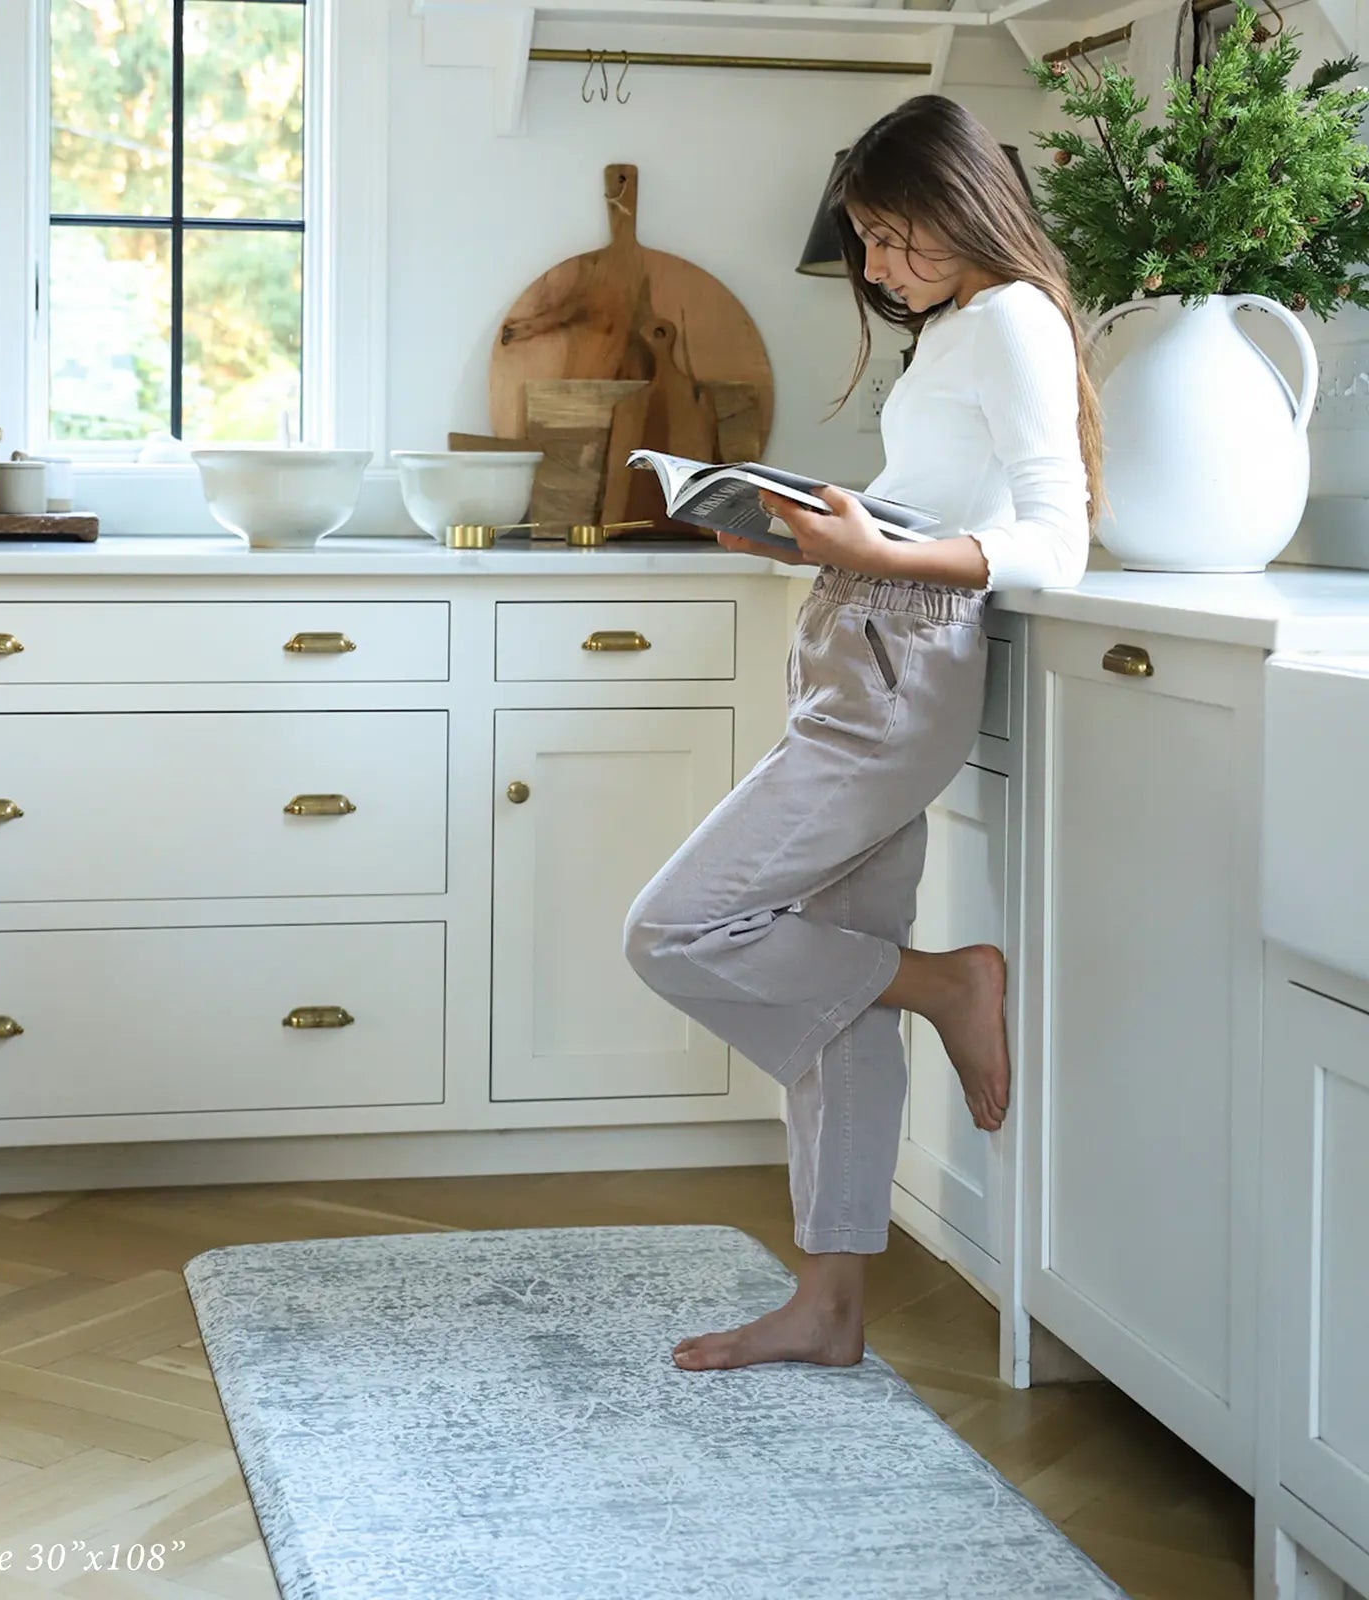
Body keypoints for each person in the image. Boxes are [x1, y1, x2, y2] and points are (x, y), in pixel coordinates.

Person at [623, 94, 1100, 1372]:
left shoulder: (1012, 323)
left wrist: (878, 549)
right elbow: (940, 502)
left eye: (895, 239)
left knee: (674, 927)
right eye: (869, 243)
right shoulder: (954, 327)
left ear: (965, 207)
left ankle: (952, 982)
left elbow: (1055, 537)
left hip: (900, 663)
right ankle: (830, 1304)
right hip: (862, 640)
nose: (878, 270)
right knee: (835, 986)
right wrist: (797, 528)